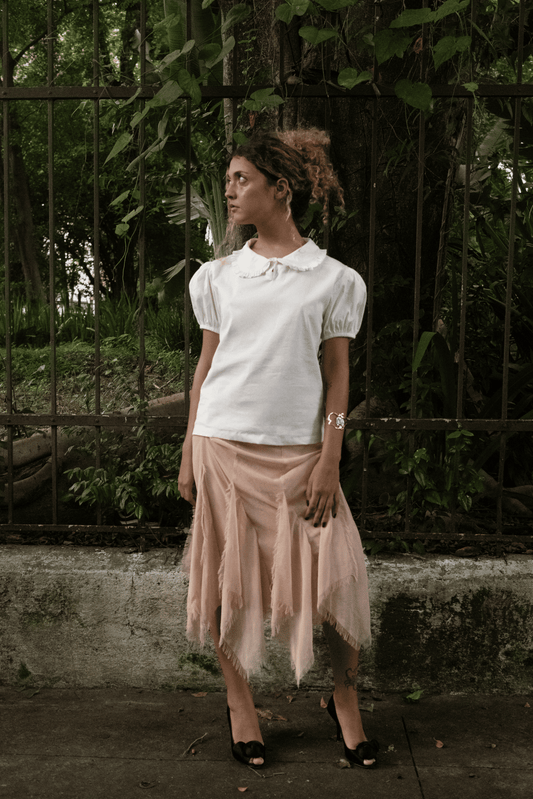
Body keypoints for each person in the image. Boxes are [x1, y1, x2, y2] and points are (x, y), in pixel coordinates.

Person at [178, 129, 378, 770]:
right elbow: (205, 371)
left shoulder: (335, 280)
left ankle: (343, 697)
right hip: (222, 446)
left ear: (281, 189)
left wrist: (330, 455)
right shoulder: (217, 278)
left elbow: (339, 379)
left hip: (301, 458)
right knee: (226, 577)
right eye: (228, 180)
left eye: (242, 179)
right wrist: (188, 448)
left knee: (339, 572)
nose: (230, 191)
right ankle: (240, 702)